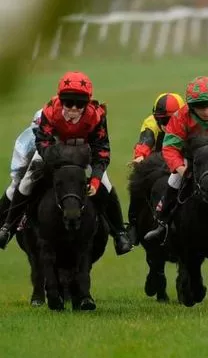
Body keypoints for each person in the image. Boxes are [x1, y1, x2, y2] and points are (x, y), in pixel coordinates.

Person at [0, 71, 133, 255]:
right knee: (25, 181)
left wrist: (94, 179)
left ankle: (120, 234)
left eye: (80, 104)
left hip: (83, 151)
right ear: (60, 101)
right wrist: (54, 161)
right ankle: (7, 228)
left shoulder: (97, 116)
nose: (73, 108)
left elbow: (101, 149)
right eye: (68, 103)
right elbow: (43, 141)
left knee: (105, 185)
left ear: (87, 104)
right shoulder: (49, 112)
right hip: (54, 150)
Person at [144, 77, 208, 242]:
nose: (207, 111)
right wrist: (180, 168)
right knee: (173, 181)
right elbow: (170, 147)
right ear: (191, 107)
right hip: (191, 158)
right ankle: (162, 222)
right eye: (201, 107)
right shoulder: (180, 117)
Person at [127, 92, 184, 242]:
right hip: (157, 163)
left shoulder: (187, 122)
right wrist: (140, 156)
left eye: (170, 120)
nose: (165, 125)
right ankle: (133, 224)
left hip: (180, 163)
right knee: (136, 182)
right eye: (162, 120)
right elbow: (146, 140)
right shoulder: (150, 123)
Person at [0, 109, 42, 247]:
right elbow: (18, 173)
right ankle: (5, 227)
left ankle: (111, 227)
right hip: (39, 163)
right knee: (15, 187)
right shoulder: (27, 142)